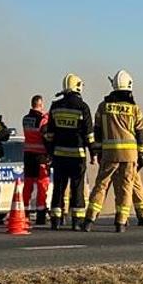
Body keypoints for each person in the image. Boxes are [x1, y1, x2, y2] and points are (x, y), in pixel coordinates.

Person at [81, 70, 143, 233]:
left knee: (101, 186)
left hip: (109, 154)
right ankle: (120, 222)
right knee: (126, 188)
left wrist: (96, 152)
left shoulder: (103, 107)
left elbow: (97, 131)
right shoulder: (135, 109)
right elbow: (141, 134)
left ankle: (89, 220)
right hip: (129, 155)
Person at [44, 73, 95, 230]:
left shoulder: (55, 106)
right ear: (78, 86)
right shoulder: (83, 107)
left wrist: (50, 153)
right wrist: (93, 154)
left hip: (59, 155)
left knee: (59, 187)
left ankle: (55, 219)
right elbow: (89, 135)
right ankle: (77, 221)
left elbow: (49, 134)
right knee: (77, 188)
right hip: (77, 155)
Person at [20, 95, 51, 222]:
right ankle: (41, 213)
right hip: (40, 156)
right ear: (40, 104)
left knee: (27, 185)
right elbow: (46, 137)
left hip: (28, 154)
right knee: (42, 184)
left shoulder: (25, 119)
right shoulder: (43, 119)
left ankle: (24, 211)